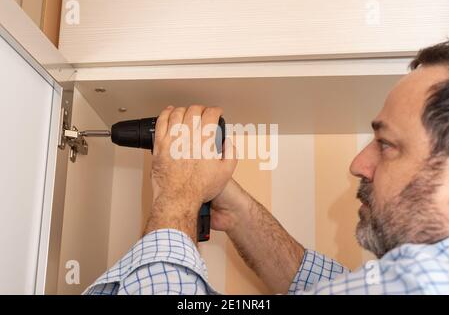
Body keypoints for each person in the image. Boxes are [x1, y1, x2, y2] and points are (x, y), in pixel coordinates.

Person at [85, 41, 449, 295]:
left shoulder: (424, 279)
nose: (358, 165)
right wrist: (237, 211)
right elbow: (321, 287)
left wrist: (176, 198)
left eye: (386, 145)